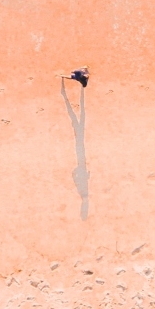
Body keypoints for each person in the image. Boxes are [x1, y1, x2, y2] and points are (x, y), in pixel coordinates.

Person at [60, 68, 90, 219]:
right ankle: (76, 76)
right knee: (78, 120)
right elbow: (81, 178)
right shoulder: (84, 193)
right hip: (81, 157)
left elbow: (83, 178)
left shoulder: (84, 193)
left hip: (82, 157)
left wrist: (78, 172)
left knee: (78, 120)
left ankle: (76, 76)